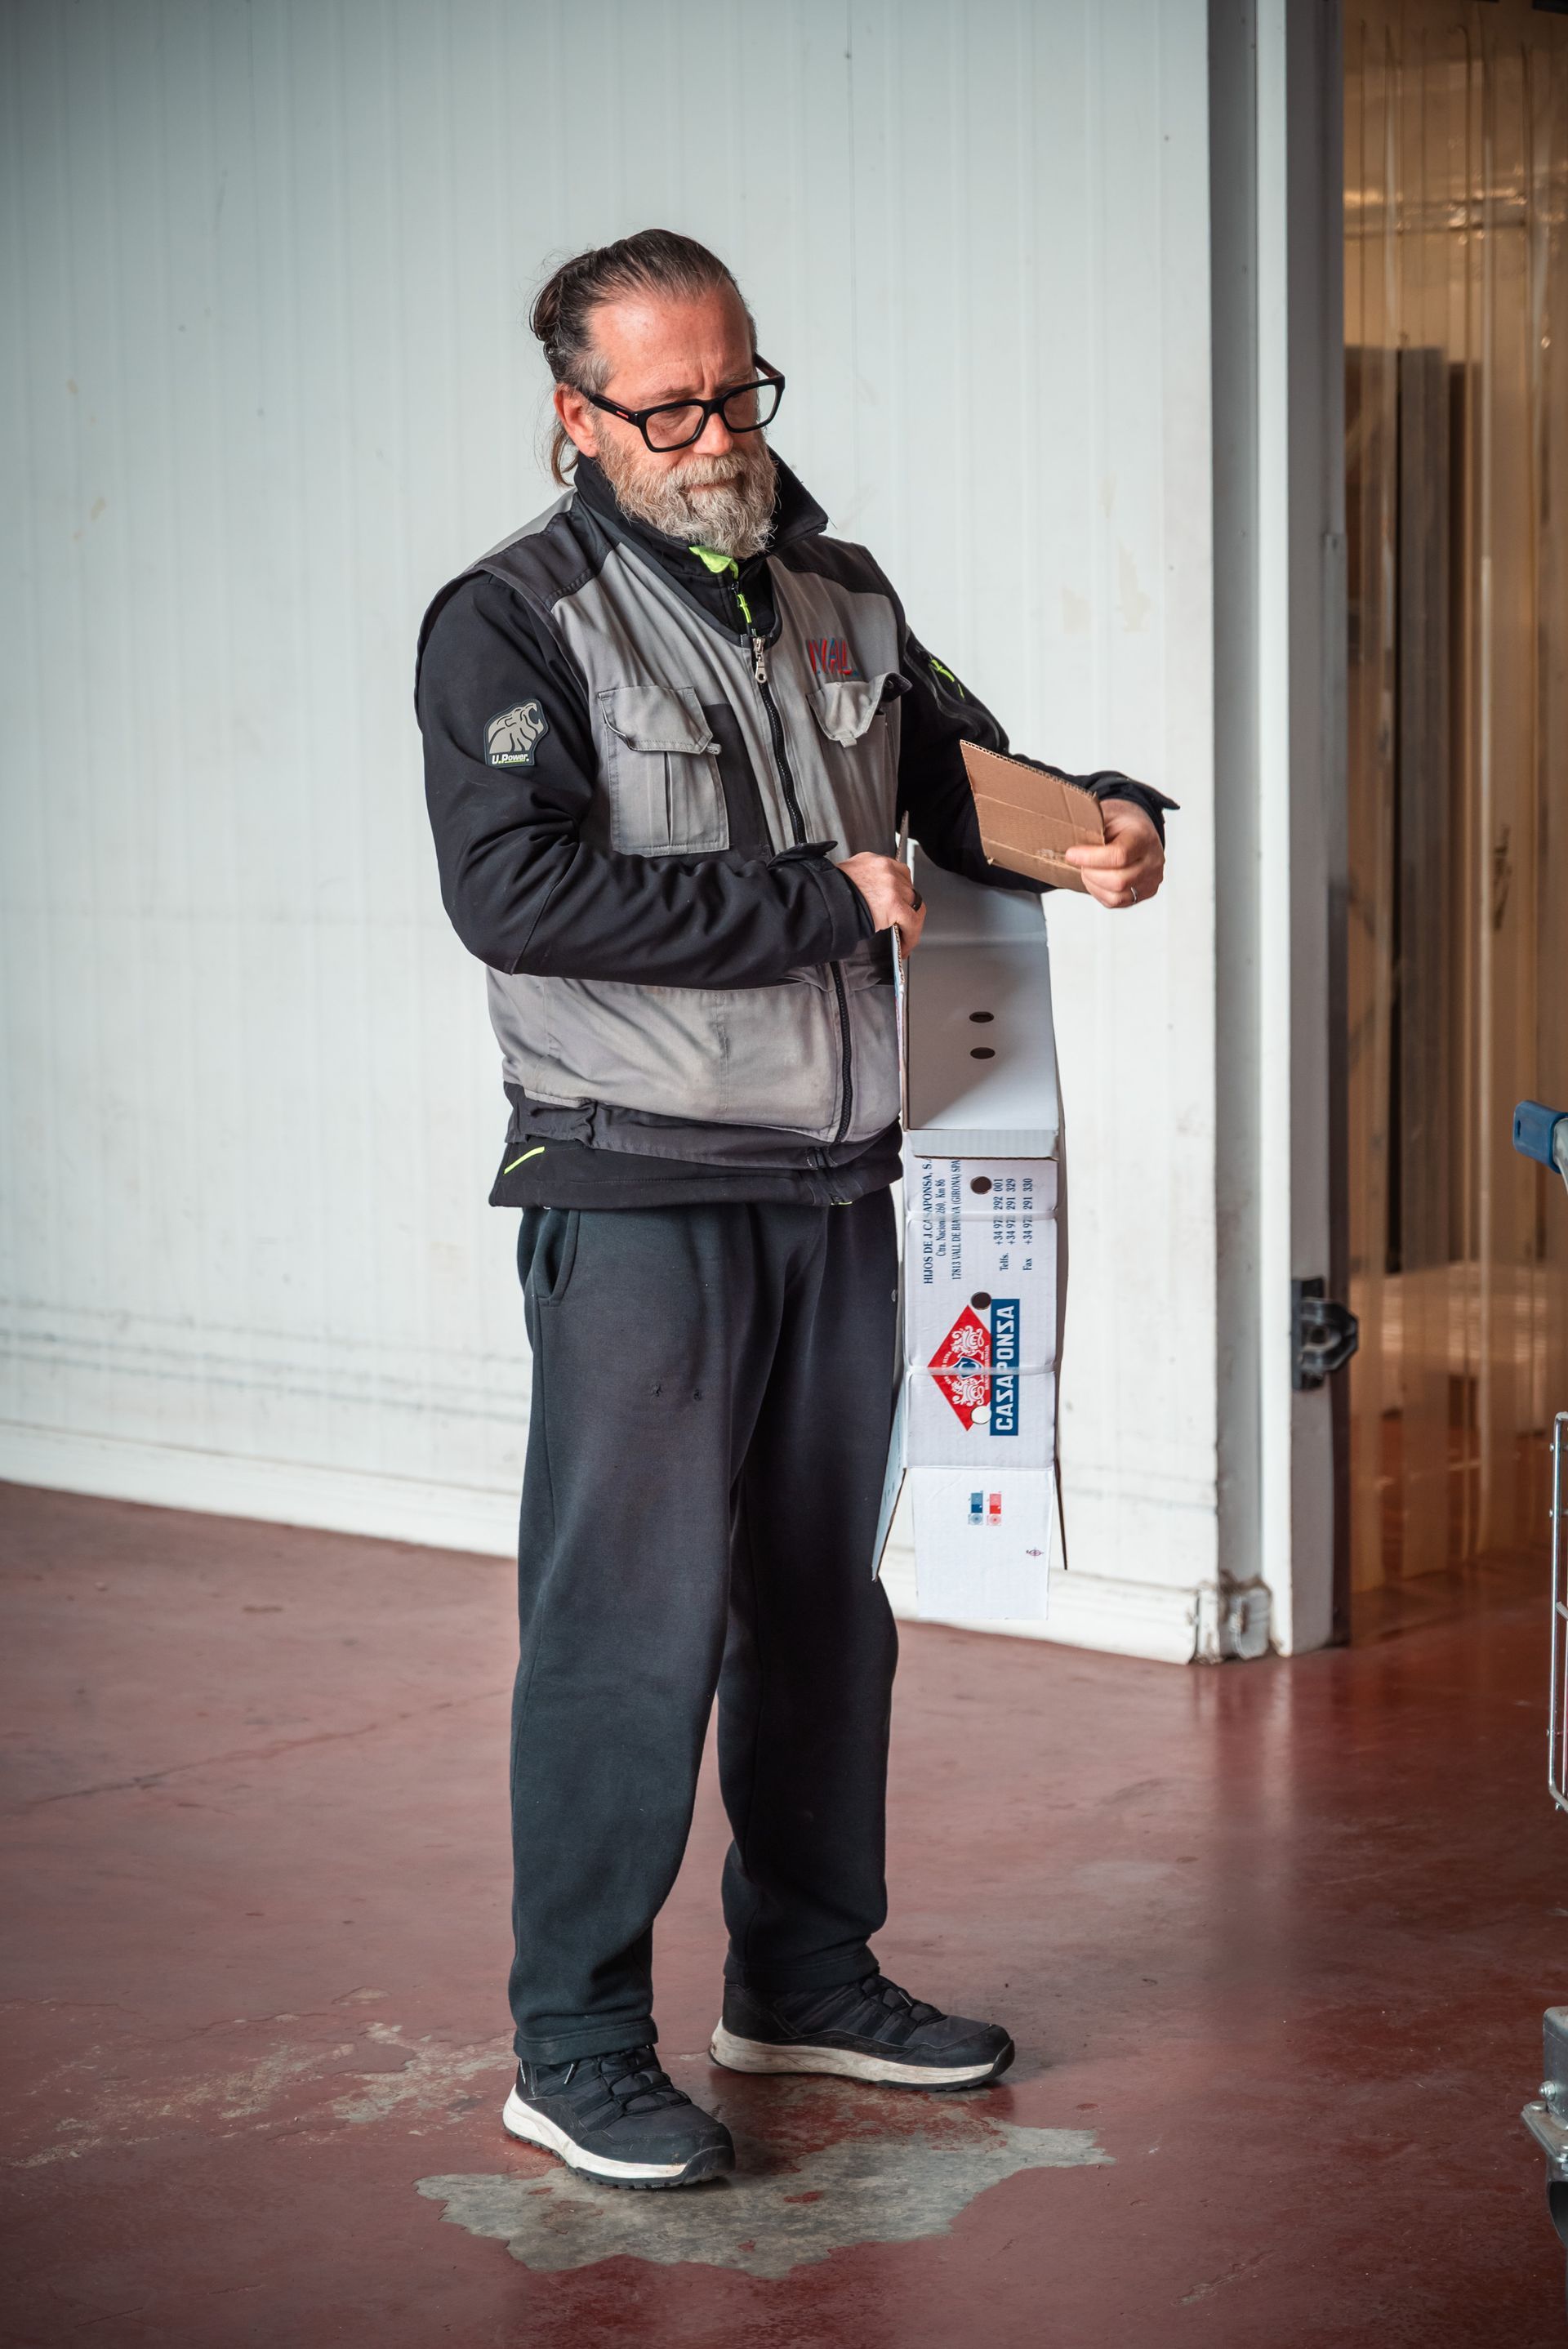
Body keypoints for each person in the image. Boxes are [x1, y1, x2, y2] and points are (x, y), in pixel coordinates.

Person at [416, 230, 1174, 2192]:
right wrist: (816, 905)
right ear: (574, 417)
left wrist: (1098, 815)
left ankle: (807, 1975)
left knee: (824, 1607)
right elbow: (517, 896)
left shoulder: (838, 594)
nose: (710, 435)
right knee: (627, 1625)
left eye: (736, 391)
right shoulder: (513, 620)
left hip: (845, 1179)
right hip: (641, 1183)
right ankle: (572, 2041)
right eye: (663, 408)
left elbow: (942, 774)